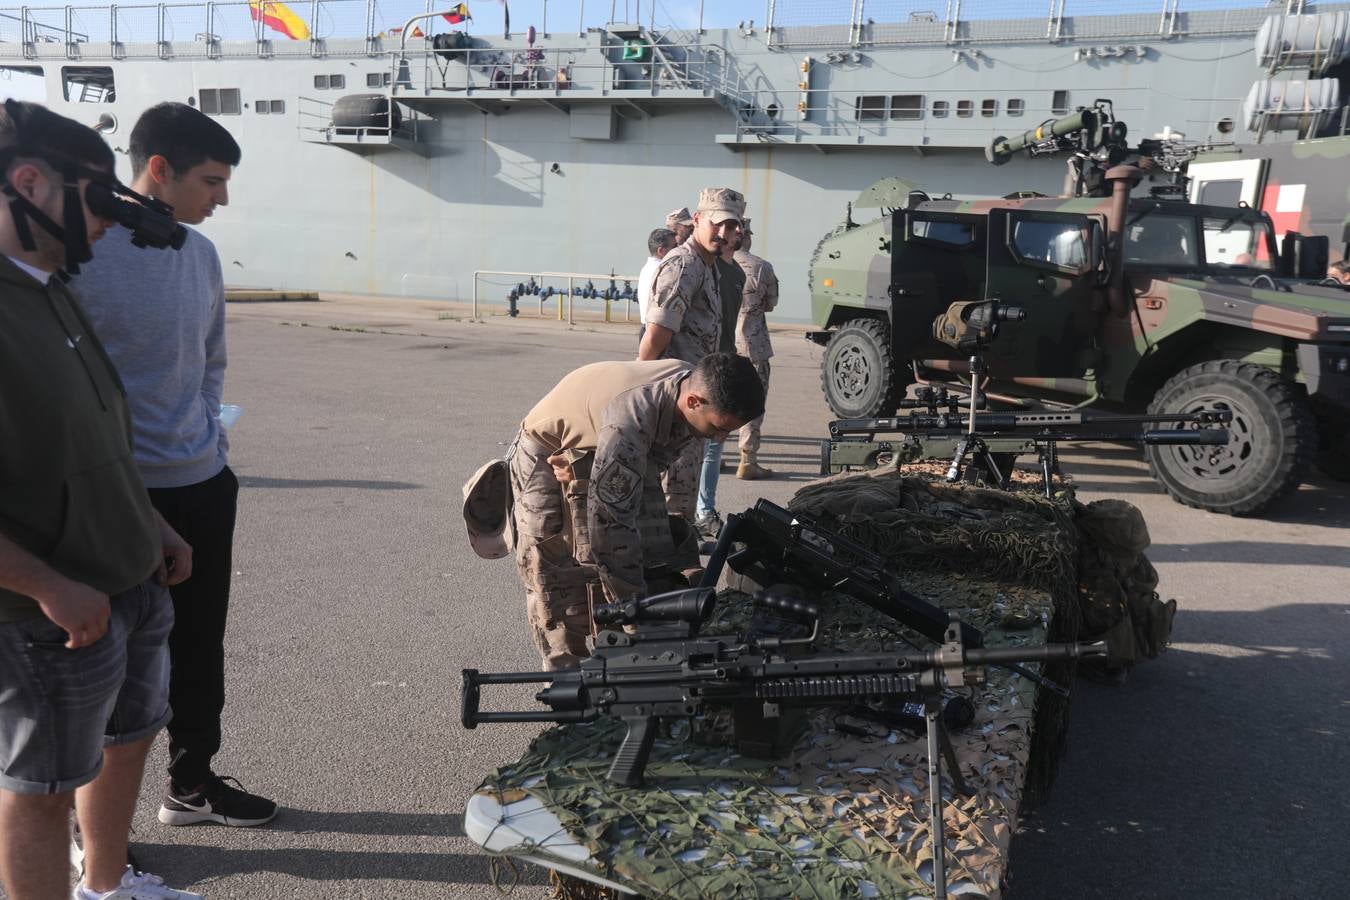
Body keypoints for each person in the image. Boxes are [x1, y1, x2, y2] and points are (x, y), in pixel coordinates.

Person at [0, 100, 200, 900]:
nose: (111, 224)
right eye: (97, 201)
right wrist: (47, 585)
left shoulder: (51, 287)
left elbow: (93, 439)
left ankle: (107, 887)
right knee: (40, 790)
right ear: (27, 184)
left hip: (128, 579)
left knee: (130, 738)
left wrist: (151, 524)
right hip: (50, 614)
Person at [70, 102, 277, 829]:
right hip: (116, 495)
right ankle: (84, 823)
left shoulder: (200, 254)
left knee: (199, 648)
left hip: (201, 484)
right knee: (107, 662)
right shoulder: (80, 253)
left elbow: (209, 363)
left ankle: (191, 784)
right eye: (211, 180)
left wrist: (207, 445)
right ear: (159, 171)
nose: (221, 197)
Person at [480, 353, 764, 669]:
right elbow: (610, 529)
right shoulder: (633, 419)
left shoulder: (695, 386)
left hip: (605, 447)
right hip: (546, 452)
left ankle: (621, 657)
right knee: (556, 571)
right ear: (694, 402)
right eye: (718, 428)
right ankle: (564, 679)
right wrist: (634, 614)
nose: (721, 438)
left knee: (653, 552)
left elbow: (668, 498)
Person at [639, 188, 745, 522]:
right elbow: (655, 335)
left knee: (681, 495)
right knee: (672, 497)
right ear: (698, 220)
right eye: (717, 225)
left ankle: (674, 552)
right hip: (674, 402)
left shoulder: (708, 266)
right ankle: (667, 562)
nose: (725, 234)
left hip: (692, 402)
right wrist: (640, 389)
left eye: (731, 227)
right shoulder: (684, 265)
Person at [693, 220, 748, 539]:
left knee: (714, 446)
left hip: (722, 364)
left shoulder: (737, 274)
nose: (739, 233)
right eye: (733, 228)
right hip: (697, 365)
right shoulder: (704, 268)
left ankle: (704, 512)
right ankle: (686, 514)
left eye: (741, 229)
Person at [733, 218, 779, 480]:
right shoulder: (761, 267)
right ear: (746, 236)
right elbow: (770, 304)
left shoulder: (715, 263)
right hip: (752, 345)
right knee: (753, 401)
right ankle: (748, 460)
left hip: (720, 344)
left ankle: (711, 456)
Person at [636, 226, 677, 329]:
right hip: (656, 329)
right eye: (674, 247)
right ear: (661, 251)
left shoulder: (647, 268)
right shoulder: (663, 271)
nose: (678, 250)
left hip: (647, 327)